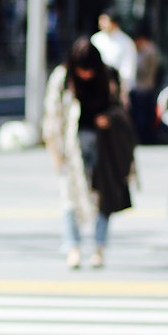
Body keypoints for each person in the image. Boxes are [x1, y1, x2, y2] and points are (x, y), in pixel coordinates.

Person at [43, 38, 135, 269]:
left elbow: (122, 110)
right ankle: (72, 247)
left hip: (105, 146)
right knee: (69, 197)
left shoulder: (110, 76)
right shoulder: (62, 78)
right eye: (81, 69)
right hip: (71, 147)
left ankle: (99, 248)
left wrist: (110, 119)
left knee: (105, 196)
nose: (85, 74)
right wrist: (54, 150)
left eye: (89, 69)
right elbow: (52, 117)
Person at [91, 10, 138, 100]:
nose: (102, 23)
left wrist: (123, 89)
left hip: (117, 86)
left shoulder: (126, 42)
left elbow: (128, 68)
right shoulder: (95, 39)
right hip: (96, 84)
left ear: (114, 23)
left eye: (105, 20)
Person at [131, 30, 161, 145]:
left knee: (143, 115)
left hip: (144, 87)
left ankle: (145, 137)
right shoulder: (147, 50)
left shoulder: (149, 50)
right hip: (143, 87)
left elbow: (143, 69)